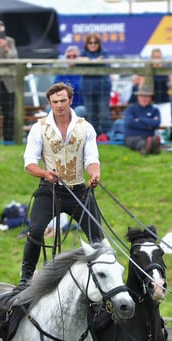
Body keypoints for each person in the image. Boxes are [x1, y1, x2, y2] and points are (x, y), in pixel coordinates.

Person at [18, 82, 102, 286]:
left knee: (98, 237)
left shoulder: (85, 127)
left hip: (79, 189)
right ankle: (26, 277)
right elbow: (29, 163)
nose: (59, 105)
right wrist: (44, 173)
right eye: (55, 102)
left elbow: (91, 158)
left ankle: (103, 280)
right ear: (49, 102)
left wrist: (95, 174)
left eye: (63, 100)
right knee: (36, 230)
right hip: (50, 189)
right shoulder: (39, 128)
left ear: (70, 100)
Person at [79, 34, 112, 136]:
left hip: (103, 88)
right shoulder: (83, 53)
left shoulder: (104, 52)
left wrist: (88, 61)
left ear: (99, 44)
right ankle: (94, 136)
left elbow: (106, 63)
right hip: (87, 88)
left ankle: (106, 135)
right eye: (90, 42)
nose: (93, 45)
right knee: (91, 114)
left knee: (104, 113)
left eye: (95, 42)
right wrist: (96, 61)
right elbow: (77, 62)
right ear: (87, 44)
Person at [123, 86, 162, 155]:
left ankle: (150, 146)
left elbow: (156, 123)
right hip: (132, 136)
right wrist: (149, 125)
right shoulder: (130, 109)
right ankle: (149, 146)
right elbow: (130, 123)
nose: (144, 98)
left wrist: (140, 119)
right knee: (138, 141)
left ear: (151, 98)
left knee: (149, 139)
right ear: (138, 97)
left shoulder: (155, 110)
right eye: (142, 96)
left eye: (147, 96)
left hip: (148, 136)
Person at [54, 46, 85, 117]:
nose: (71, 58)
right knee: (49, 108)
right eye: (68, 56)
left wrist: (65, 89)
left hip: (80, 105)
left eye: (74, 56)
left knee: (78, 111)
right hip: (62, 104)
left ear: (79, 58)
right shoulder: (61, 72)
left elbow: (81, 88)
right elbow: (54, 89)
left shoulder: (84, 71)